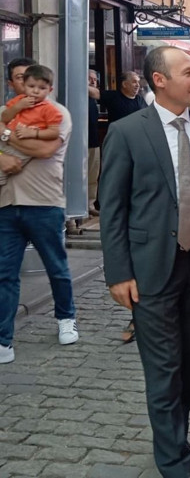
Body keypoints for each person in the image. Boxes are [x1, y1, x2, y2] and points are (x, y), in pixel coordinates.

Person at [99, 46, 190, 478]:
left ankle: (177, 436)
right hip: (149, 267)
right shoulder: (127, 132)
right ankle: (172, 460)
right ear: (159, 80)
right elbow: (112, 208)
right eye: (189, 72)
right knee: (163, 365)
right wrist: (118, 271)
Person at [0, 58, 77, 365]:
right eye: (20, 81)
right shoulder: (8, 111)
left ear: (46, 86)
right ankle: (4, 339)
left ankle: (66, 318)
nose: (26, 87)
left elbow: (47, 151)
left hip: (45, 202)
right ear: (13, 84)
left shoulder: (58, 114)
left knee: (56, 267)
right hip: (7, 203)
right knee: (5, 274)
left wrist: (7, 138)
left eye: (32, 82)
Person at [0, 64, 64, 185]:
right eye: (31, 86)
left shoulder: (52, 110)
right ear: (23, 86)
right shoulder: (17, 102)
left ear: (50, 90)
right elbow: (4, 117)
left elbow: (52, 135)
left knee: (13, 164)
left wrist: (32, 133)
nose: (35, 91)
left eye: (42, 88)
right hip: (6, 146)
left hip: (25, 150)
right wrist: (18, 107)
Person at [87, 69, 101, 216]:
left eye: (95, 79)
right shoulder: (78, 94)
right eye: (89, 79)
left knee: (92, 176)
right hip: (80, 142)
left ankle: (90, 205)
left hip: (94, 141)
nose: (92, 82)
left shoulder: (93, 98)